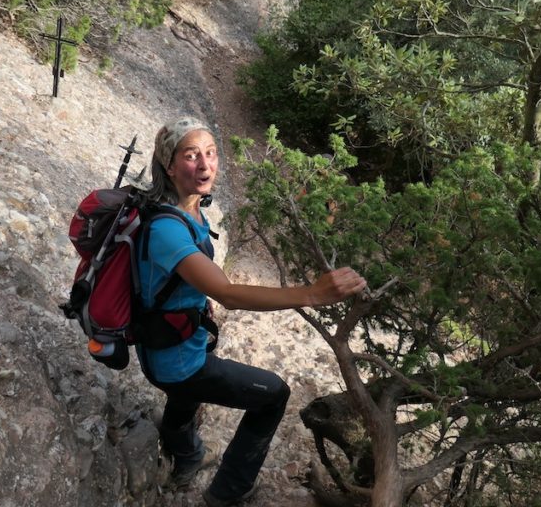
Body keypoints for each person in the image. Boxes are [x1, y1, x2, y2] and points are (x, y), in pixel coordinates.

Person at [135, 116, 367, 506]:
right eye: (192, 156)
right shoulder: (168, 229)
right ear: (169, 165)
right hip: (176, 362)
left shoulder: (184, 208)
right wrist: (311, 293)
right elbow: (227, 293)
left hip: (168, 346)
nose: (206, 165)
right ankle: (228, 492)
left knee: (188, 391)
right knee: (273, 395)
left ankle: (185, 451)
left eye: (210, 153)